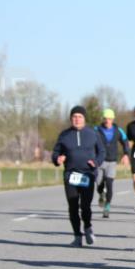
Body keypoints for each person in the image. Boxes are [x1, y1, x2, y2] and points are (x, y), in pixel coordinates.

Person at [51, 106, 105, 247]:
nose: (77, 119)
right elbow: (56, 152)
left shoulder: (93, 134)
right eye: (74, 117)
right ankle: (77, 236)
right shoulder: (64, 135)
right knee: (73, 206)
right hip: (70, 174)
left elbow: (101, 152)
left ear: (84, 118)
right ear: (71, 119)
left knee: (85, 206)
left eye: (80, 116)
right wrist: (57, 159)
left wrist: (96, 162)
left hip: (87, 174)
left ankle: (87, 227)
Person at [95, 108, 129, 218]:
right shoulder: (96, 130)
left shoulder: (118, 130)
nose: (107, 121)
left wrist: (126, 154)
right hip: (99, 161)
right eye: (105, 118)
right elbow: (89, 142)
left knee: (109, 184)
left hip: (112, 161)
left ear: (113, 119)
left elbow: (125, 141)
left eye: (109, 119)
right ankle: (101, 194)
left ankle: (107, 206)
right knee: (99, 184)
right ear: (103, 119)